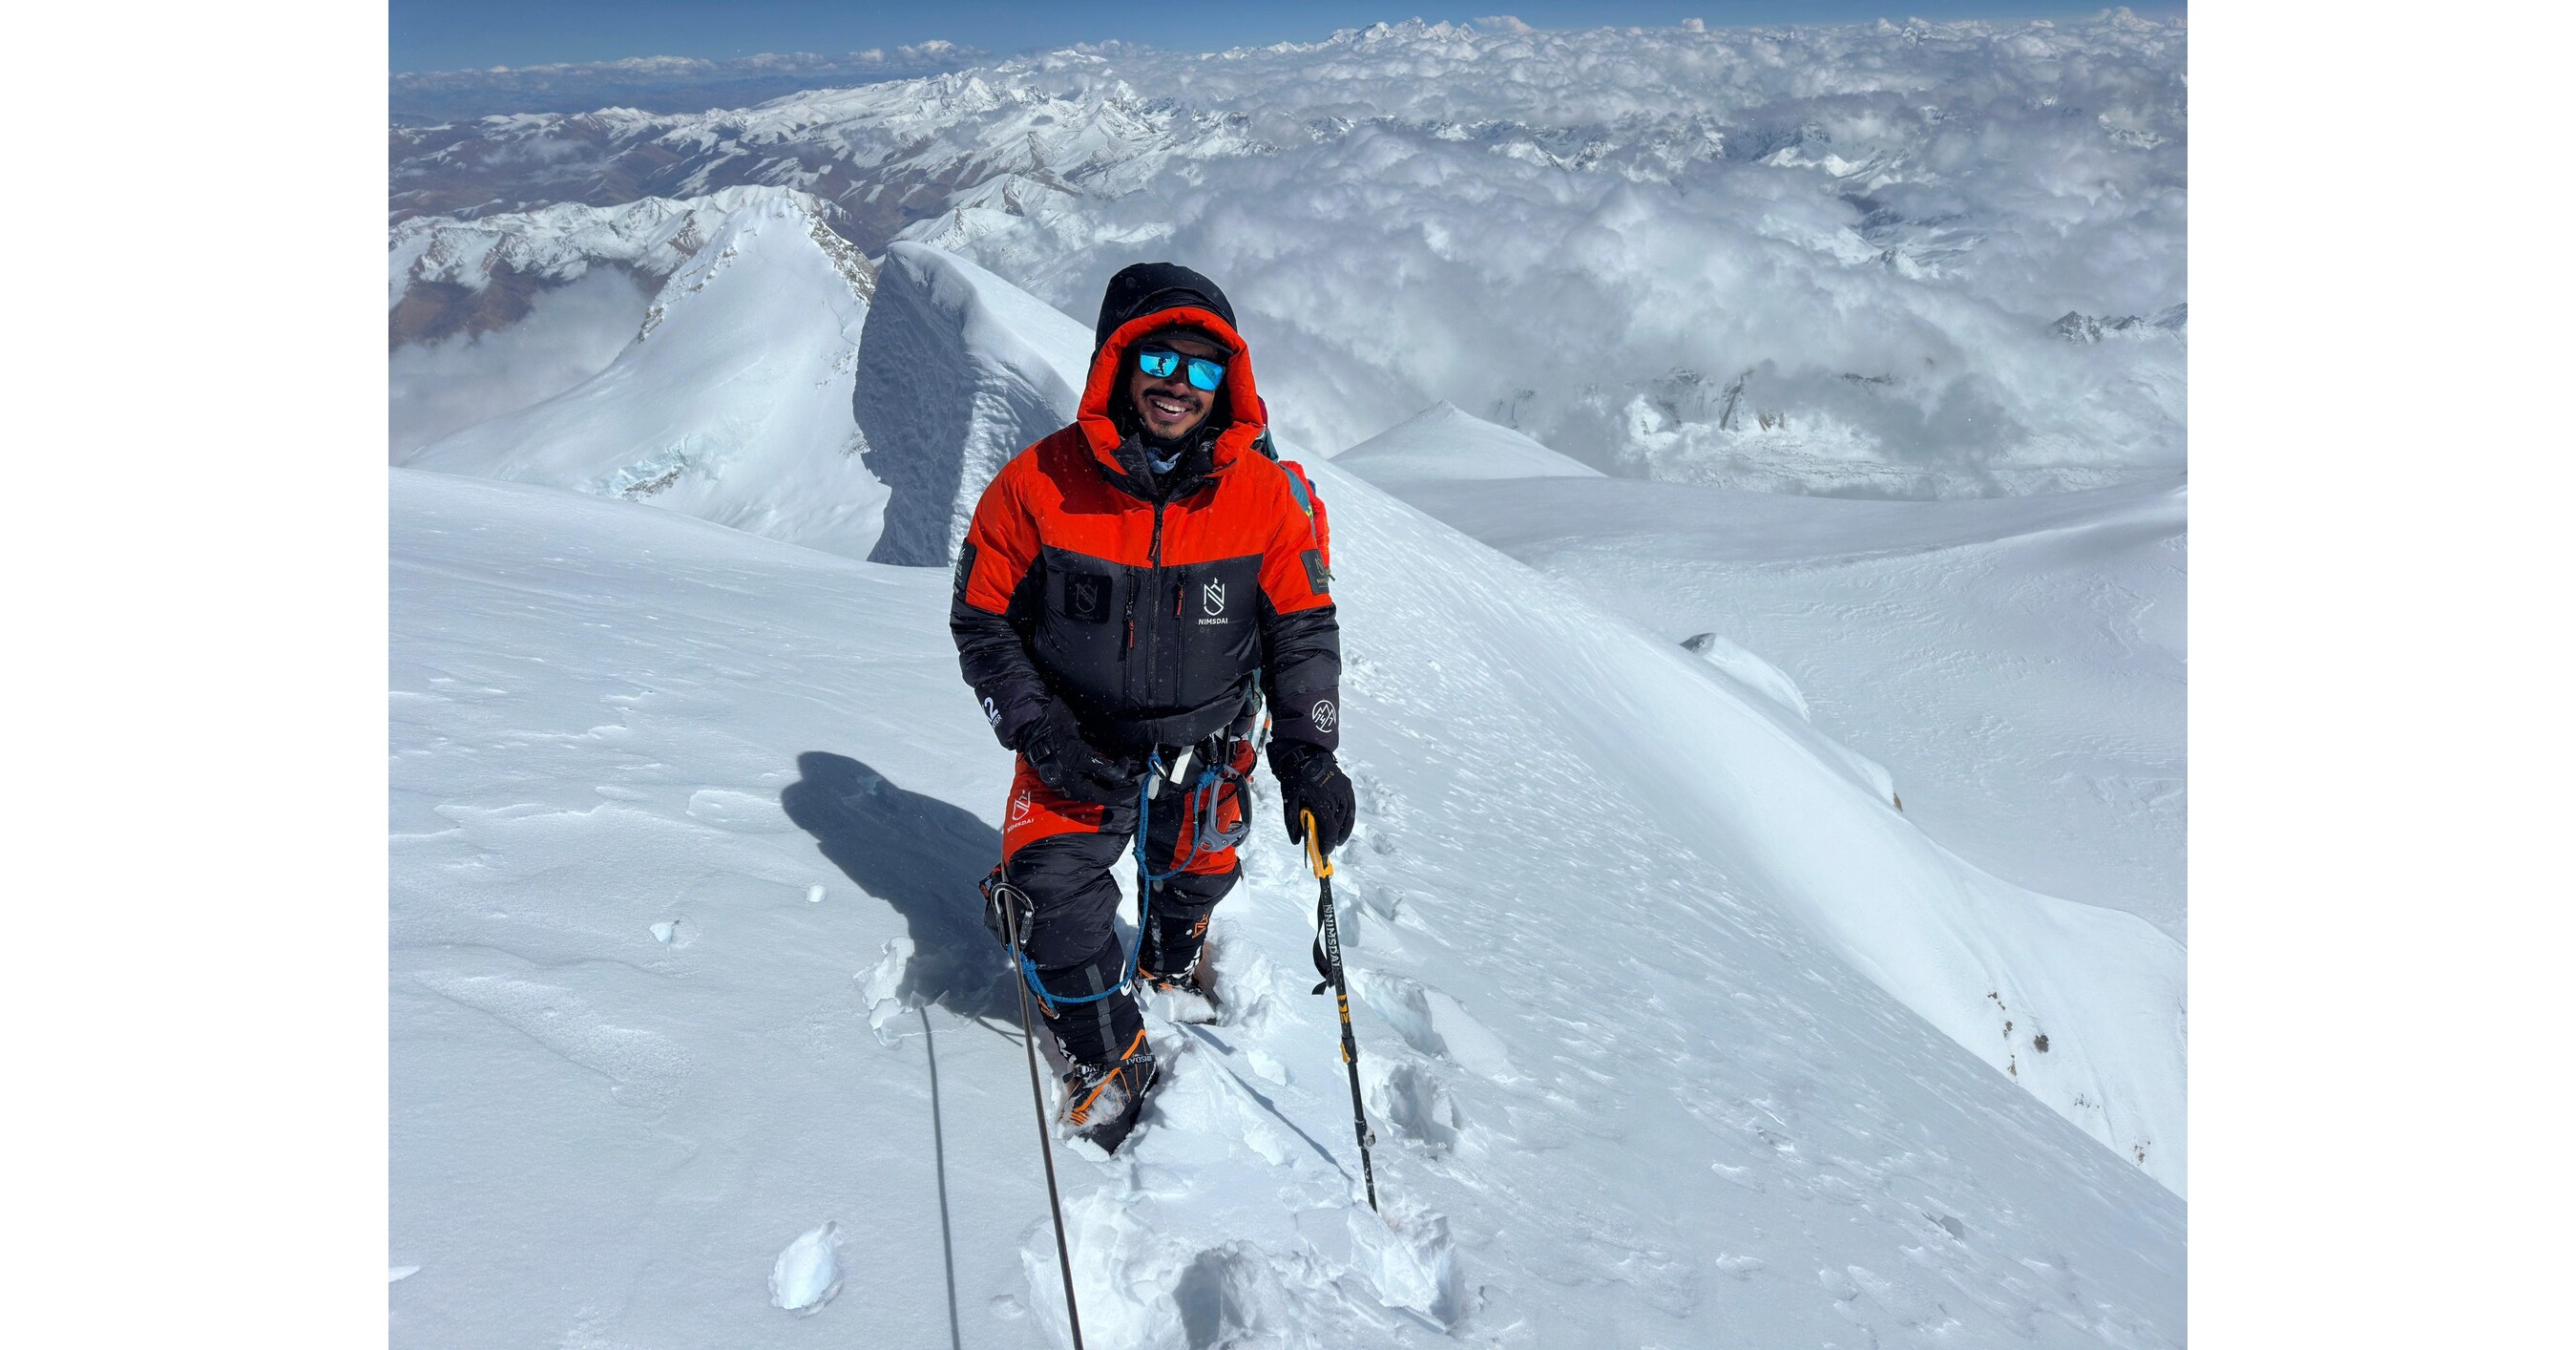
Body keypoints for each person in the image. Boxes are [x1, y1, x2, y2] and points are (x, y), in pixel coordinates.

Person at [951, 262, 1355, 1151]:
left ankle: (1171, 953)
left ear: (1230, 384)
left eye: (1205, 369)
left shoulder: (1263, 498)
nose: (1180, 385)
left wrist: (1309, 752)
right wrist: (1035, 727)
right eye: (1159, 360)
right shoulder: (1037, 485)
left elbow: (1301, 633)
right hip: (1073, 749)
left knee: (1198, 866)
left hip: (1205, 746)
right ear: (1118, 364)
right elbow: (981, 621)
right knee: (1048, 902)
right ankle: (1107, 1047)